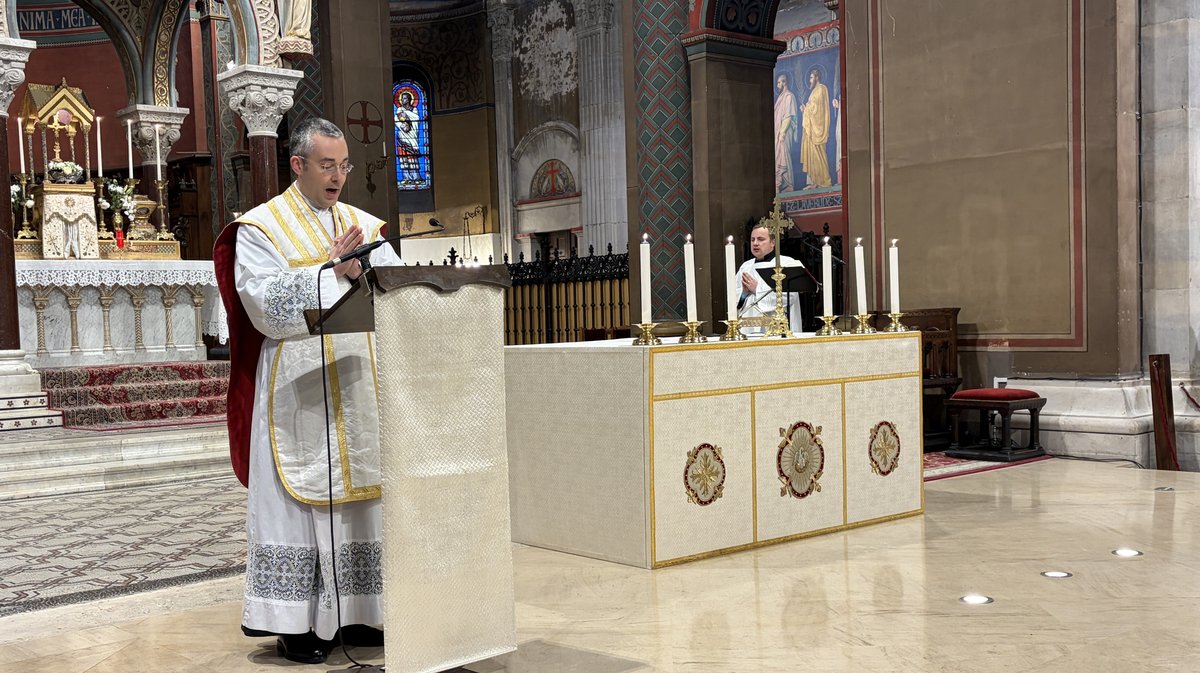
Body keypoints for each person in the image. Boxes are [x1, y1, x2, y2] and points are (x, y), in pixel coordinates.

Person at [213, 117, 401, 665]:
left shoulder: (365, 225)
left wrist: (366, 270)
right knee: (303, 506)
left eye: (344, 165)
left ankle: (360, 612)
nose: (338, 175)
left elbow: (393, 284)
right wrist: (332, 272)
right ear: (298, 166)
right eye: (327, 165)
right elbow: (264, 305)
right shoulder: (261, 228)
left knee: (362, 506)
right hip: (298, 394)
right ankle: (300, 626)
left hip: (358, 386)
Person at [735, 224, 804, 335]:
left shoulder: (787, 263)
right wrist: (743, 294)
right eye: (752, 240)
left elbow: (790, 296)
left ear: (773, 242)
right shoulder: (745, 267)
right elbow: (734, 298)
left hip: (780, 330)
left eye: (761, 239)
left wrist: (757, 289)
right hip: (749, 329)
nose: (755, 243)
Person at [799, 68, 832, 189]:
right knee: (812, 154)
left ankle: (824, 180)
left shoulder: (822, 89)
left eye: (811, 77)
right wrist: (806, 109)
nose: (810, 80)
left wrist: (806, 109)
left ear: (817, 77)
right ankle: (814, 182)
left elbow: (819, 109)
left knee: (819, 154)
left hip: (817, 128)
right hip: (811, 129)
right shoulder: (813, 91)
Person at [774, 73, 798, 194]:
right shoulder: (780, 98)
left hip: (784, 132)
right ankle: (780, 184)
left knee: (784, 155)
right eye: (777, 82)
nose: (778, 85)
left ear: (785, 82)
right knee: (778, 158)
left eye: (780, 82)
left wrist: (782, 132)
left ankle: (789, 184)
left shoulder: (789, 96)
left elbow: (788, 115)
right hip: (777, 132)